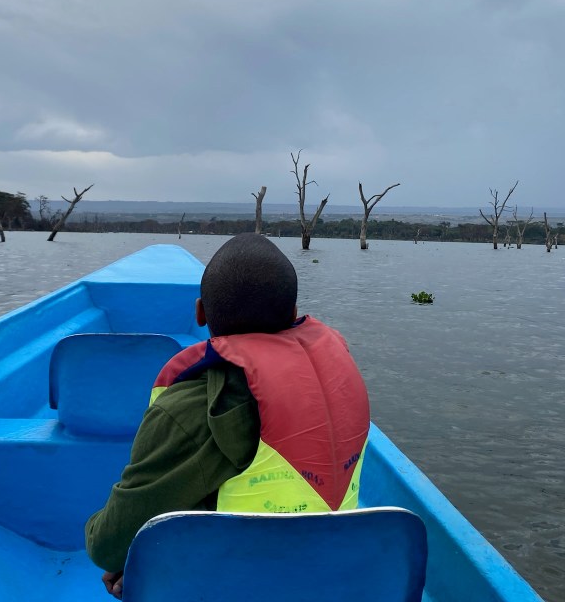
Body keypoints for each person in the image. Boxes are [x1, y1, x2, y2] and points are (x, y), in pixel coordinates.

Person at [85, 233, 370, 599]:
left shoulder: (191, 409)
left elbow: (108, 546)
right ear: (294, 312)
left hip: (235, 584)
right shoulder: (342, 384)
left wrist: (117, 546)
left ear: (200, 313)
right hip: (327, 577)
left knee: (132, 558)